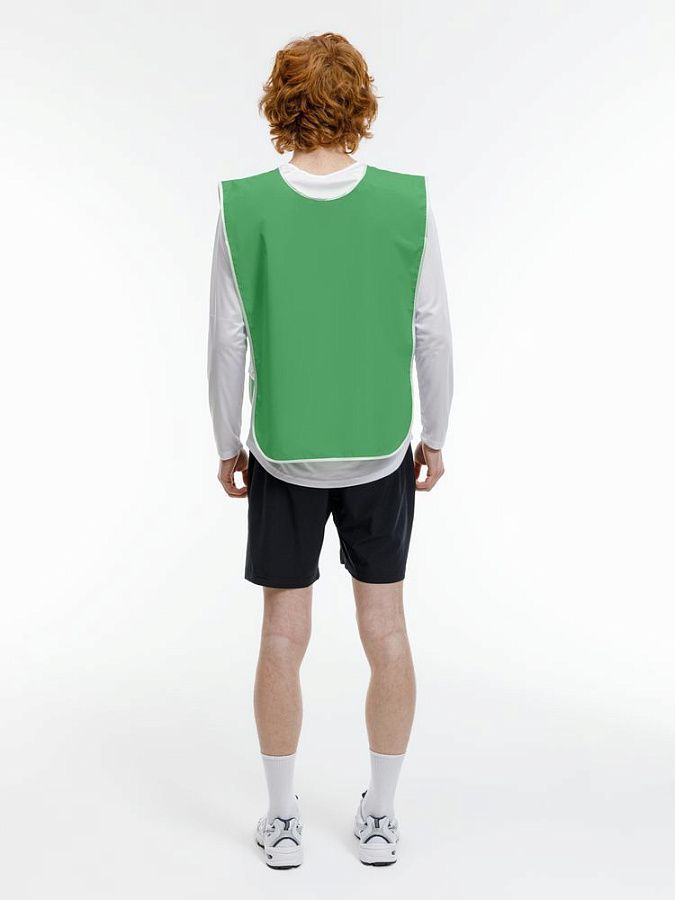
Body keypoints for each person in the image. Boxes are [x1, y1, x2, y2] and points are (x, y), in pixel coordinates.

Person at [208, 32, 453, 869]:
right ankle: (379, 817)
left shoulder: (243, 205)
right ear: (359, 102)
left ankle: (281, 821)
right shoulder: (406, 202)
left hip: (282, 451)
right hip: (381, 450)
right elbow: (431, 331)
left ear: (280, 105)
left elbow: (228, 339)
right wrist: (435, 434)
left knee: (283, 637)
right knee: (385, 630)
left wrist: (226, 442)